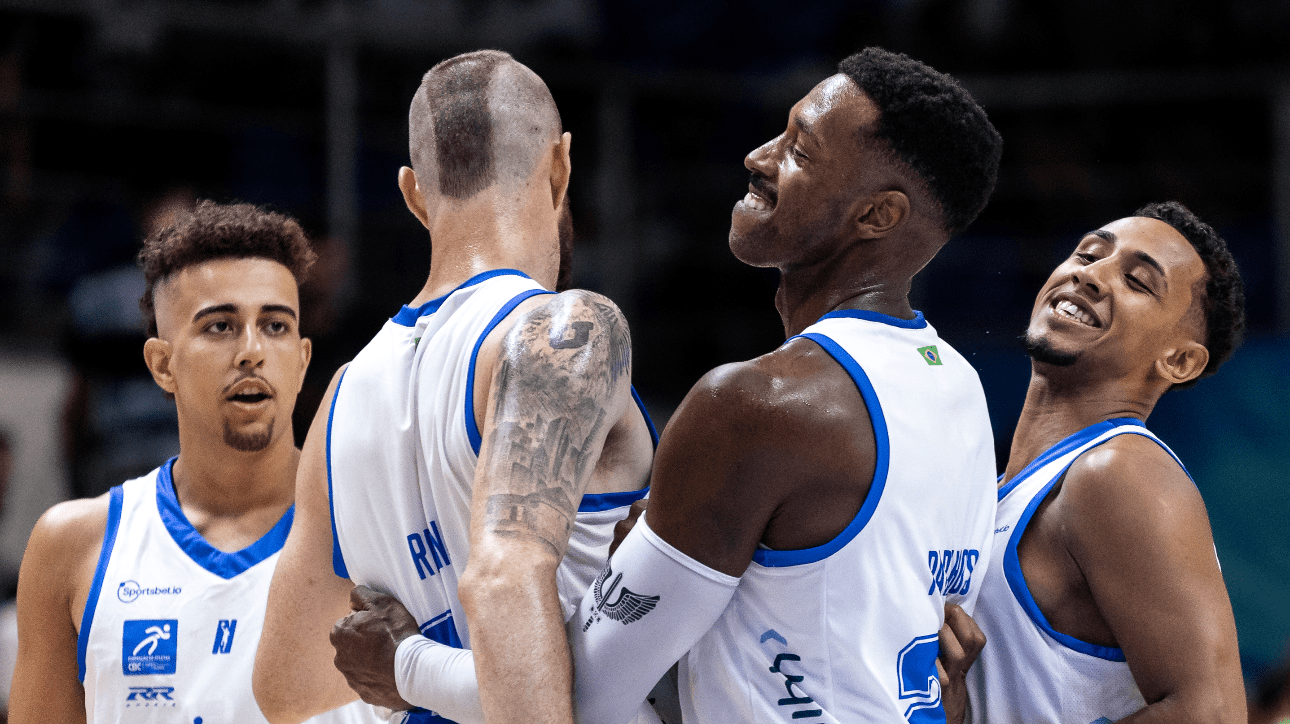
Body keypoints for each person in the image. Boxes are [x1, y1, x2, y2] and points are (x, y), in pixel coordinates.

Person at [555, 46, 1003, 724]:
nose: (758, 158)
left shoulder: (756, 407)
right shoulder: (961, 390)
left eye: (799, 150)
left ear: (878, 216)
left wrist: (406, 665)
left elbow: (581, 697)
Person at [252, 50, 658, 724]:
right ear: (560, 168)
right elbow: (502, 585)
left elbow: (286, 685)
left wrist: (409, 674)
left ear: (414, 195)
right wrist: (416, 668)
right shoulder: (566, 332)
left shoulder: (340, 396)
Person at [7, 201, 380, 724]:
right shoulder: (72, 547)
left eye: (274, 325)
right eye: (220, 326)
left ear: (301, 359)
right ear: (162, 364)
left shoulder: (384, 528)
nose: (251, 350)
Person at [961, 201, 1248, 724]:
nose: (1090, 275)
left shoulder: (1118, 473)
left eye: (1138, 282)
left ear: (1179, 360)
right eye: (1089, 253)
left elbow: (1211, 714)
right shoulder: (1001, 487)